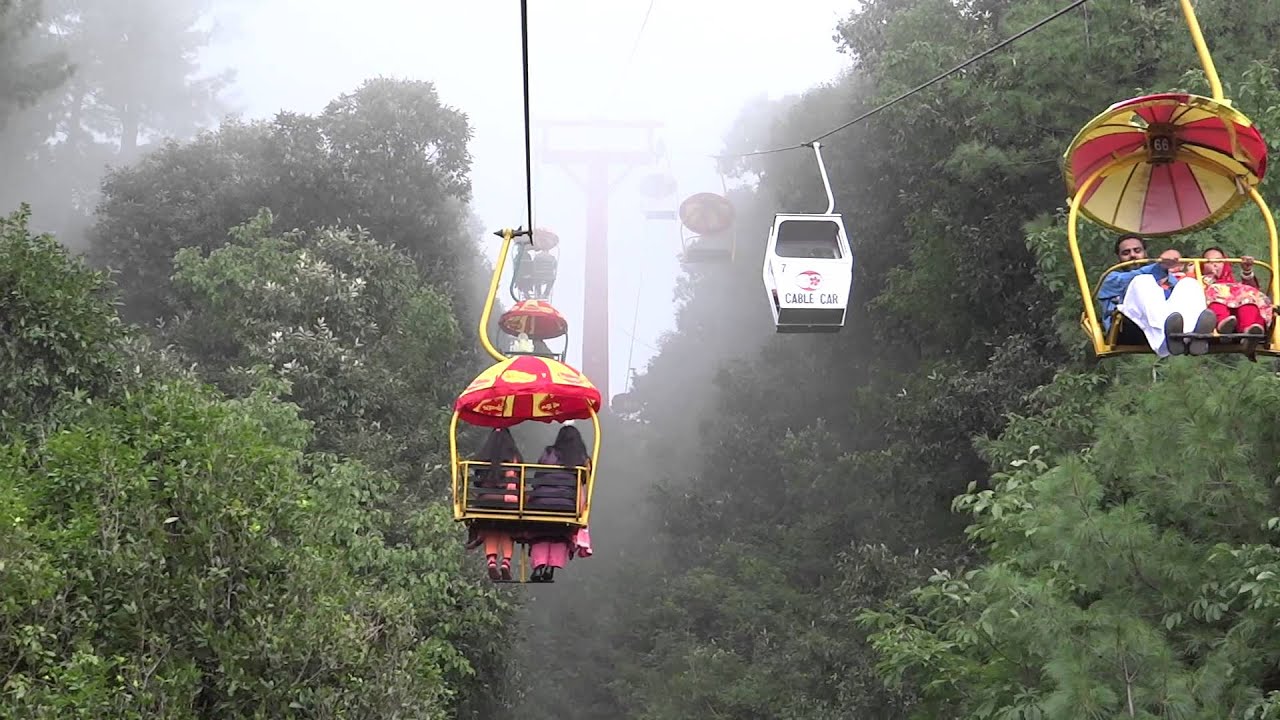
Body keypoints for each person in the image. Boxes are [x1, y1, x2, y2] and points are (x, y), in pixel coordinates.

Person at [1101, 238, 1215, 356]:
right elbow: (1133, 278)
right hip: (1128, 326)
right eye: (1126, 253)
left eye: (1137, 250)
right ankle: (1165, 340)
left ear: (1145, 253)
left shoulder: (1168, 279)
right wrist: (1160, 266)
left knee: (1189, 284)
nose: (1132, 255)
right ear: (1118, 258)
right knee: (1143, 281)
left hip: (1168, 322)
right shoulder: (1111, 279)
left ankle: (1191, 337)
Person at [527, 424, 592, 583]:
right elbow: (585, 481)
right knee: (561, 533)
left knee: (540, 533)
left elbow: (537, 476)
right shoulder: (582, 459)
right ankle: (551, 566)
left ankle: (538, 566)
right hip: (566, 506)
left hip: (541, 503)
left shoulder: (548, 453)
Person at [471, 428, 523, 581]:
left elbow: (477, 481)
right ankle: (506, 562)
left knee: (490, 527)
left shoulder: (484, 457)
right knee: (506, 529)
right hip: (507, 502)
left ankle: (491, 561)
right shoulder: (514, 457)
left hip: (486, 500)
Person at [1199, 246, 1272, 335]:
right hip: (1214, 312)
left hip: (1236, 314)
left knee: (1247, 295)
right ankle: (1222, 324)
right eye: (1209, 262)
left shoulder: (1233, 284)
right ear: (1202, 265)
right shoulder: (1199, 281)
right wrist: (1211, 277)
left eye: (1219, 261)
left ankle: (1250, 327)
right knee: (1214, 290)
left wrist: (1247, 271)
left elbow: (1253, 290)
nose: (1215, 264)